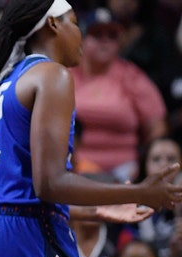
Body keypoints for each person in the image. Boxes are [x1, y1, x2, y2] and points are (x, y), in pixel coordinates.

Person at [0, 0, 182, 257]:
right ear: (53, 24)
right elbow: (50, 184)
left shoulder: (4, 82)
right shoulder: (51, 75)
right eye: (73, 21)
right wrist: (139, 191)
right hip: (23, 236)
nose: (80, 34)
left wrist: (98, 210)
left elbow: (16, 191)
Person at [71, 7, 167, 182]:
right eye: (97, 35)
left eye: (112, 36)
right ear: (82, 39)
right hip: (74, 169)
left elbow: (157, 127)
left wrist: (142, 162)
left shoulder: (132, 76)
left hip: (125, 173)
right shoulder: (66, 75)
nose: (105, 41)